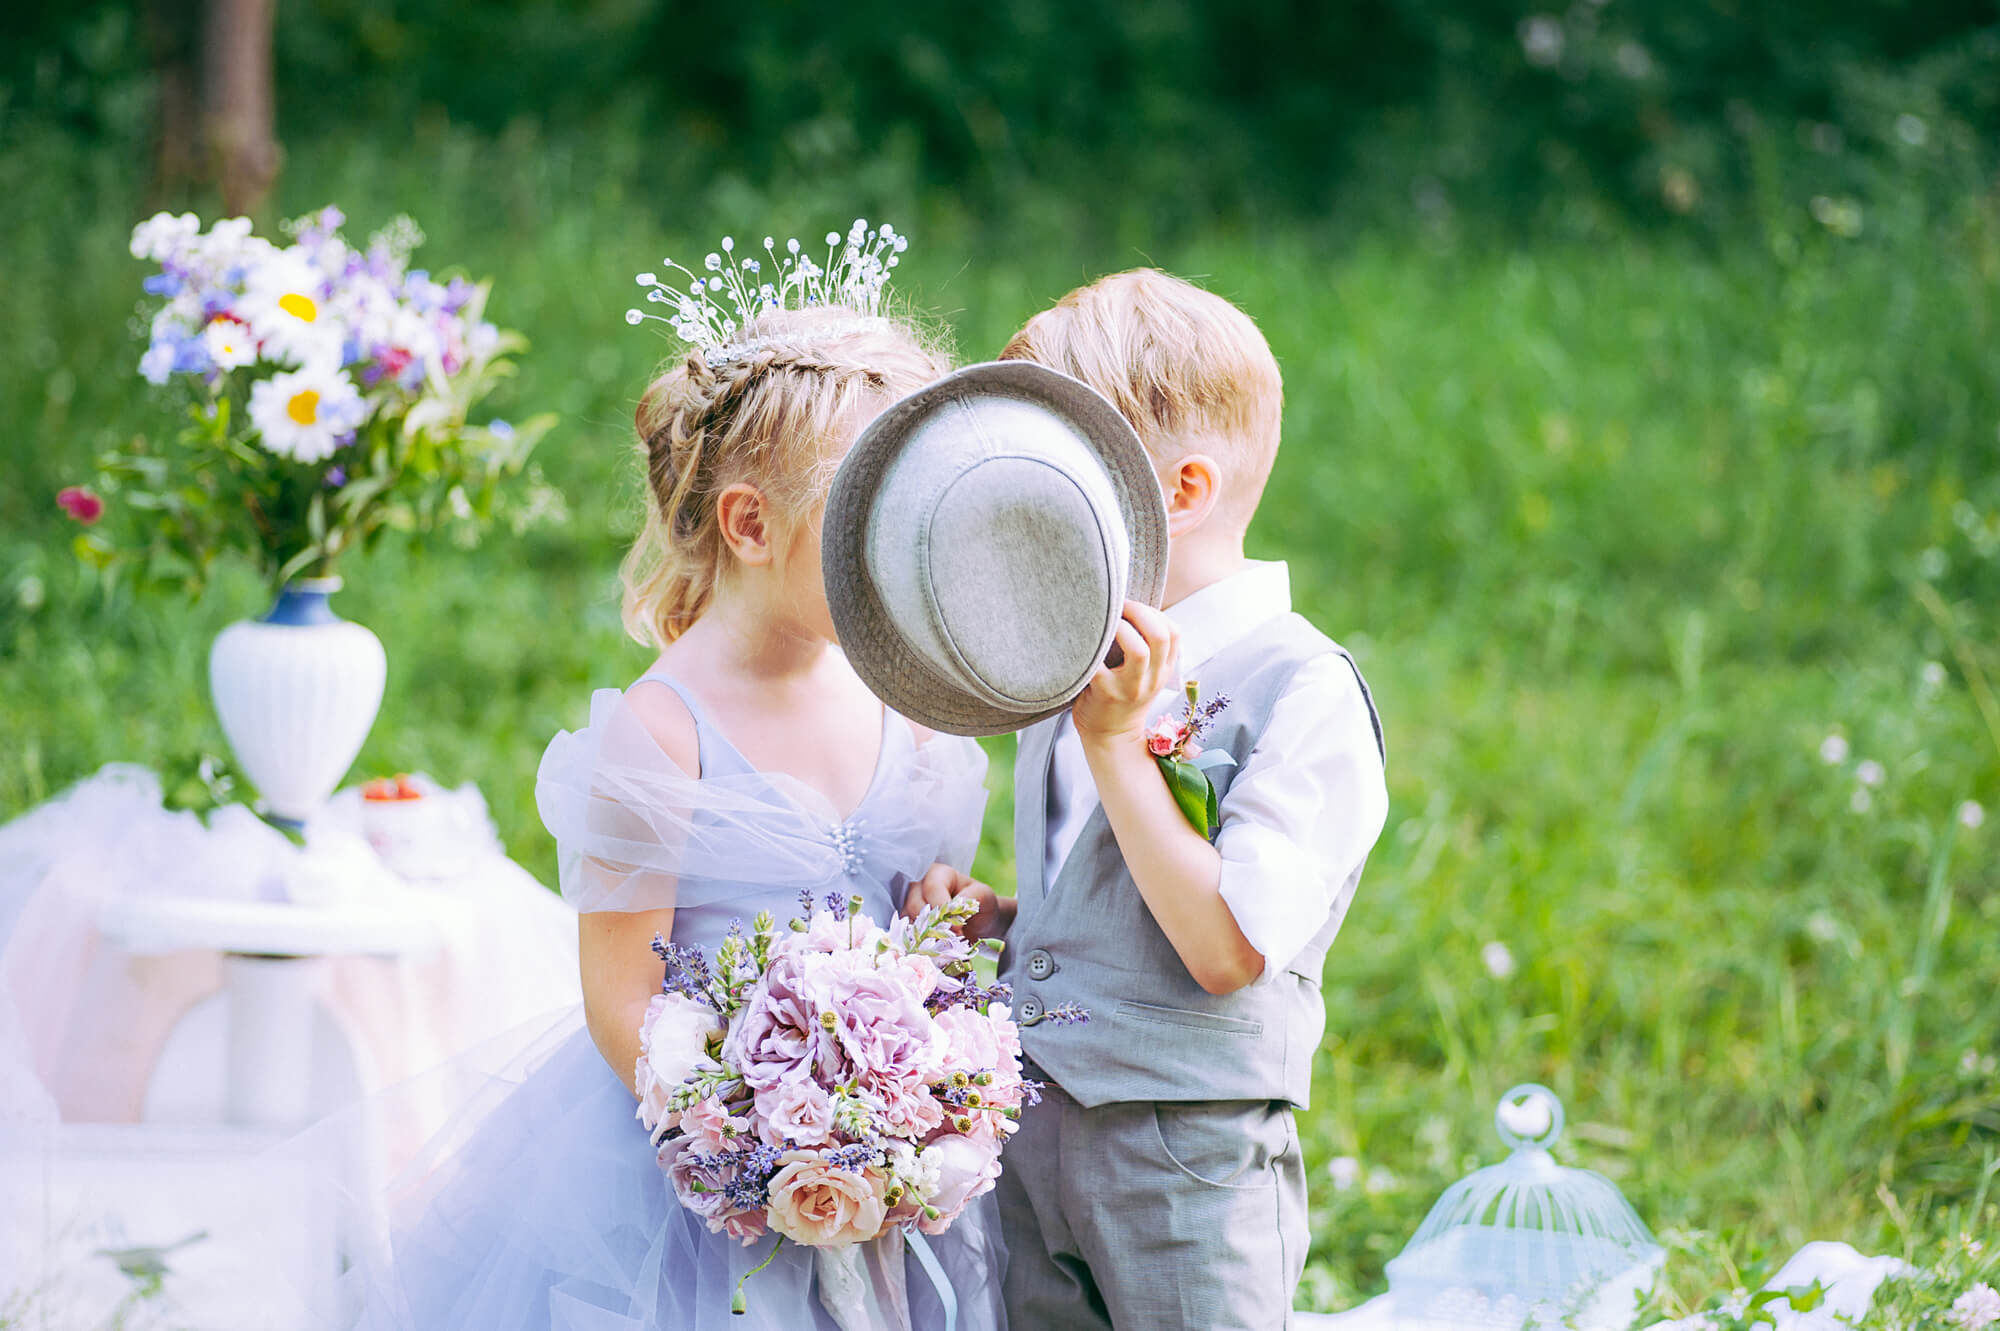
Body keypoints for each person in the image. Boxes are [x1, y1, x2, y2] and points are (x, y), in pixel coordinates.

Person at [351, 293, 1008, 1331]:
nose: (902, 550)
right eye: (866, 522)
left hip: (886, 1167)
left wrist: (942, 932)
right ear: (750, 523)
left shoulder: (911, 706)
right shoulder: (661, 736)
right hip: (702, 1178)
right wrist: (754, 1137)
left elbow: (908, 921)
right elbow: (622, 999)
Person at [916, 268, 1390, 1330]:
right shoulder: (1074, 667)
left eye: (1057, 476)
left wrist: (1121, 745)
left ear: (1176, 492)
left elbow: (1224, 947)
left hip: (1185, 1153)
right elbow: (1102, 896)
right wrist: (1003, 924)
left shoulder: (1300, 690)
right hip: (1034, 1125)